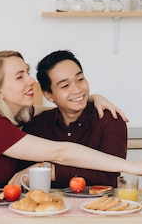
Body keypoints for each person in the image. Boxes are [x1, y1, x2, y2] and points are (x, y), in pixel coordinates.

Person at [0, 50, 142, 188]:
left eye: (28, 72)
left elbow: (53, 108)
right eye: (19, 76)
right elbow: (60, 153)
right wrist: (134, 167)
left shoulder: (15, 115)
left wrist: (92, 97)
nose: (30, 81)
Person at [12, 50, 127, 188]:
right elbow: (24, 176)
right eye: (65, 86)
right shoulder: (36, 125)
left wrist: (51, 170)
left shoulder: (110, 120)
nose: (77, 89)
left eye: (80, 79)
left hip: (98, 206)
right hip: (47, 206)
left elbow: (108, 178)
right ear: (48, 95)